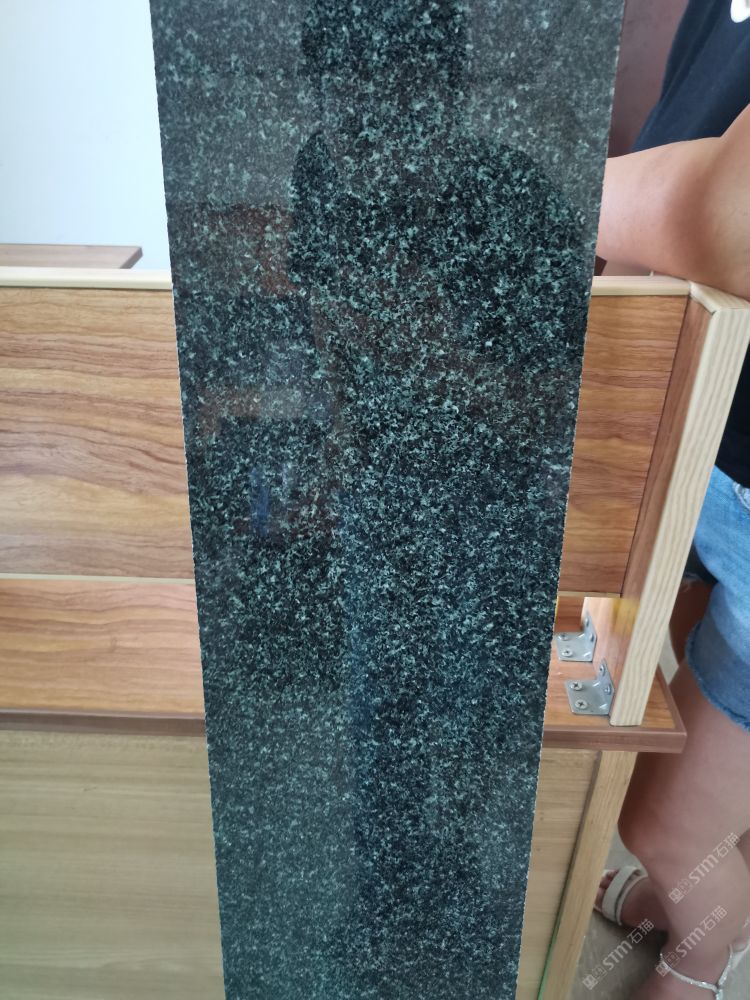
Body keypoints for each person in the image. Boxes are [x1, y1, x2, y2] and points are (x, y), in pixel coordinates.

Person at [594, 2, 750, 997]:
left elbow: (729, 221)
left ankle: (706, 953)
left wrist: (534, 196)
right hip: (704, 438)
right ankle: (705, 890)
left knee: (657, 817)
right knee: (684, 738)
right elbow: (681, 131)